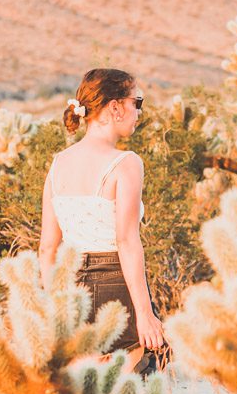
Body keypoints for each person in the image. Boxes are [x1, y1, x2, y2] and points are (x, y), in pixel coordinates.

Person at [38, 67, 167, 373]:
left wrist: (55, 306)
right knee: (132, 388)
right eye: (137, 102)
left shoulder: (58, 165)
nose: (138, 112)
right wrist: (145, 313)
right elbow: (126, 241)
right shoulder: (126, 164)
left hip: (70, 288)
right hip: (116, 286)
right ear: (114, 107)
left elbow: (47, 249)